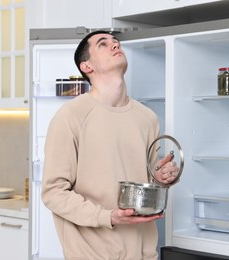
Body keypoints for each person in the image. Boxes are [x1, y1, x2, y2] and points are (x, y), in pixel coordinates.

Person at [42, 30, 178, 260]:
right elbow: (53, 192)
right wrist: (108, 217)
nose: (115, 45)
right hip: (93, 255)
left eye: (116, 42)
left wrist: (162, 177)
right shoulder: (71, 116)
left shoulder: (147, 117)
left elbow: (147, 181)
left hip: (144, 254)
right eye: (103, 44)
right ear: (87, 66)